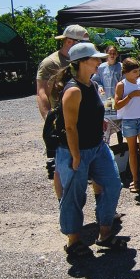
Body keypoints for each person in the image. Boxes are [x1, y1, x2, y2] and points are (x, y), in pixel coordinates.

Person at [50, 42, 124, 264]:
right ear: (82, 62)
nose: (99, 60)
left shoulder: (91, 85)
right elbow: (70, 127)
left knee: (112, 183)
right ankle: (73, 241)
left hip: (97, 147)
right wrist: (75, 156)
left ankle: (105, 232)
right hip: (75, 150)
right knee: (74, 194)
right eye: (94, 58)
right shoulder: (72, 90)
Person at [37, 24, 90, 199]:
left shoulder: (81, 60)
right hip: (62, 122)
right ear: (69, 41)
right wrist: (48, 120)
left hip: (82, 119)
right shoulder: (51, 63)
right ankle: (64, 204)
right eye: (83, 43)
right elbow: (42, 92)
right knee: (62, 165)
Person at [114, 58, 140, 193]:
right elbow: (117, 105)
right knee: (132, 151)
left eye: (138, 71)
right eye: (134, 71)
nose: (137, 74)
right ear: (126, 72)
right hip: (129, 120)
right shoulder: (122, 85)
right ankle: (135, 179)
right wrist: (130, 96)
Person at [92, 44, 123, 142]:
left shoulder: (121, 67)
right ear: (106, 54)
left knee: (120, 122)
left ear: (117, 54)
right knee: (108, 122)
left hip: (118, 99)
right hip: (107, 100)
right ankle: (106, 143)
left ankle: (121, 144)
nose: (112, 55)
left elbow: (124, 80)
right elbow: (96, 80)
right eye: (110, 53)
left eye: (114, 53)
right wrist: (100, 87)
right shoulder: (101, 67)